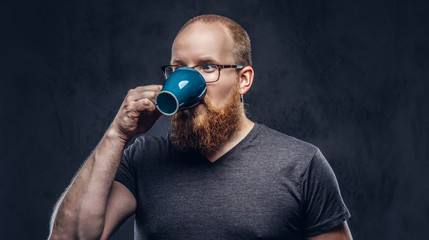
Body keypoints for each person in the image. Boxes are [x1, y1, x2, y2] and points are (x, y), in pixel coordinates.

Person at [49, 14, 352, 240]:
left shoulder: (301, 164)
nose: (188, 81)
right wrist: (116, 136)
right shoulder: (142, 158)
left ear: (243, 79)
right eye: (178, 68)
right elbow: (70, 238)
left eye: (208, 67)